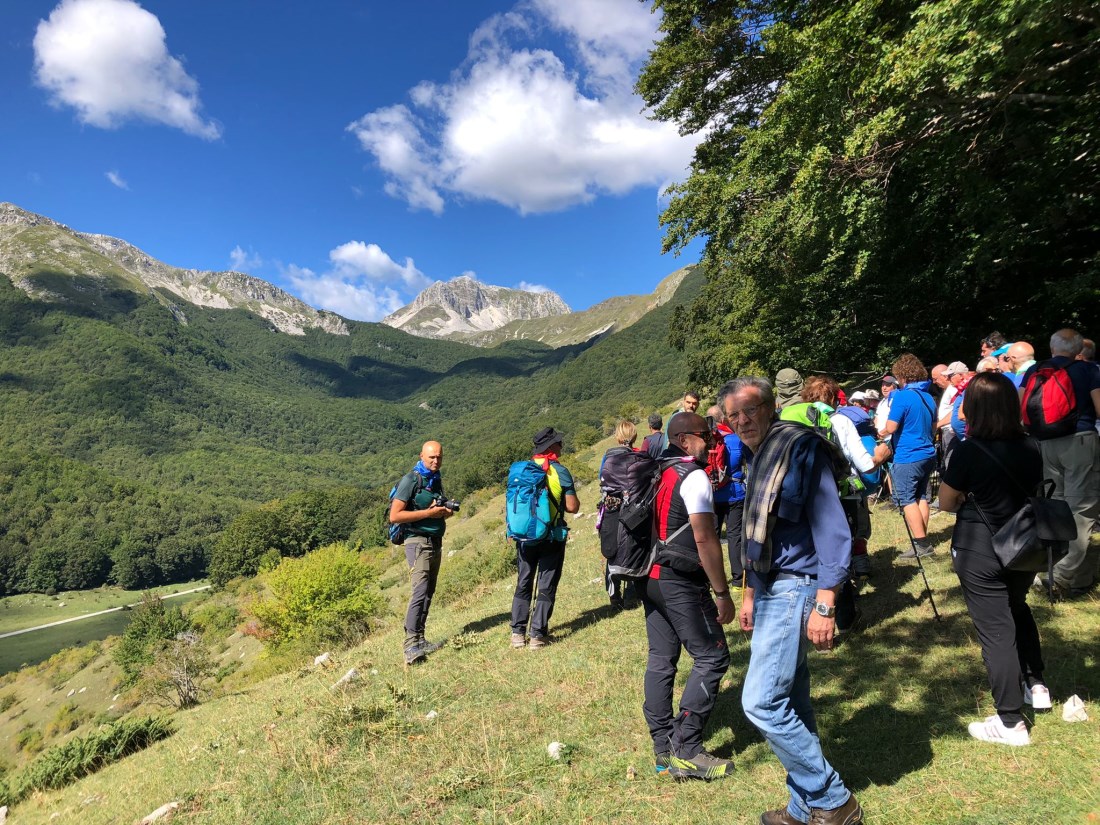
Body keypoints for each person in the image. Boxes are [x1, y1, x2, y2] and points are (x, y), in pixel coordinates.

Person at [722, 377, 863, 825]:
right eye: (733, 415)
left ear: (770, 407)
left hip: (797, 585)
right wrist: (748, 591)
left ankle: (833, 800)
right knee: (793, 700)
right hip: (767, 586)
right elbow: (754, 530)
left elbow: (833, 529)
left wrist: (826, 602)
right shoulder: (759, 454)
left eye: (750, 409)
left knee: (761, 703)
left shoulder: (800, 448)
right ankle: (804, 808)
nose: (742, 420)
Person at [937, 372, 1049, 746]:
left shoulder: (968, 451)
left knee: (996, 629)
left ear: (975, 408)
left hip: (980, 547)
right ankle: (1038, 685)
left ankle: (1010, 721)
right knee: (1017, 609)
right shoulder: (1032, 445)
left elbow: (946, 501)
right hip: (1024, 544)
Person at [642, 412, 733, 781]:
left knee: (661, 658)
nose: (710, 443)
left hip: (651, 575)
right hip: (681, 579)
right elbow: (705, 537)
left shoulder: (659, 470)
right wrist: (722, 592)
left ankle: (663, 748)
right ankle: (687, 749)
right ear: (683, 439)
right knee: (712, 657)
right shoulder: (694, 476)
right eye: (704, 436)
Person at [1019, 329, 1100, 596]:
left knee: (1056, 506)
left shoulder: (1035, 371)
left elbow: (1021, 408)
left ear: (1052, 347)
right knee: (1081, 508)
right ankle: (1061, 577)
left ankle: (1064, 572)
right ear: (1078, 349)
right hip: (1079, 441)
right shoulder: (1087, 370)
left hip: (1045, 443)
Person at [808, 377, 892, 583]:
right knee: (852, 527)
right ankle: (859, 568)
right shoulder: (841, 421)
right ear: (834, 399)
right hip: (845, 486)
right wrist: (881, 456)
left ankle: (830, 581)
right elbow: (865, 464)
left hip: (813, 491)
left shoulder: (797, 421)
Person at [510, 427, 580, 648]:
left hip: (525, 537)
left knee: (524, 581)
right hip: (551, 536)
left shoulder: (523, 470)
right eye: (558, 443)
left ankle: (517, 634)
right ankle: (538, 635)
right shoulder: (559, 471)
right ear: (550, 447)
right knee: (546, 584)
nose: (561, 446)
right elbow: (572, 507)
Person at [389, 440, 454, 665]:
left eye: (439, 457)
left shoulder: (434, 479)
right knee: (419, 592)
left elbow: (433, 510)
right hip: (417, 542)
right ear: (421, 456)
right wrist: (429, 513)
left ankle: (420, 638)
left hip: (434, 540)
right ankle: (410, 647)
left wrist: (444, 512)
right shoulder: (411, 480)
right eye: (431, 457)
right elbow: (395, 516)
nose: (436, 461)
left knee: (428, 591)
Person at [883, 354, 938, 560]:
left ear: (901, 376)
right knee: (920, 497)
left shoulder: (902, 396)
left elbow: (891, 427)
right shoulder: (928, 397)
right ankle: (922, 539)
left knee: (906, 499)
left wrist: (880, 431)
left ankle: (921, 546)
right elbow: (933, 427)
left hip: (908, 454)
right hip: (927, 453)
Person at [599, 420, 640, 609]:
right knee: (633, 546)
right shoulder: (638, 457)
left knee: (611, 548)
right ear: (634, 437)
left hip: (611, 508)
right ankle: (633, 590)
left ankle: (614, 595)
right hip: (633, 510)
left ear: (617, 437)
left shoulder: (607, 458)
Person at [712, 395, 747, 590]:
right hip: (735, 493)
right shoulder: (736, 439)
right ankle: (737, 579)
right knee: (734, 535)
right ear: (723, 418)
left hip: (712, 495)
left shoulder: (705, 442)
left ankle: (712, 579)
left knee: (712, 536)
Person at [936, 362, 968, 462]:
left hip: (960, 436)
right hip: (955, 434)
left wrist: (936, 425)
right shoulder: (958, 389)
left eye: (950, 376)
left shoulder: (964, 389)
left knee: (951, 462)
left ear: (961, 375)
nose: (948, 379)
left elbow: (959, 413)